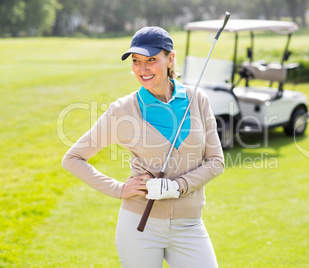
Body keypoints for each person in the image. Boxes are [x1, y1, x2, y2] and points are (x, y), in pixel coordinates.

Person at [62, 26, 224, 268]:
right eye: (136, 61)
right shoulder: (122, 110)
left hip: (189, 224)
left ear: (171, 59)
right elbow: (73, 158)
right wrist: (118, 189)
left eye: (151, 60)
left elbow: (216, 162)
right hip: (140, 225)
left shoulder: (197, 99)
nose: (142, 69)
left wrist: (177, 186)